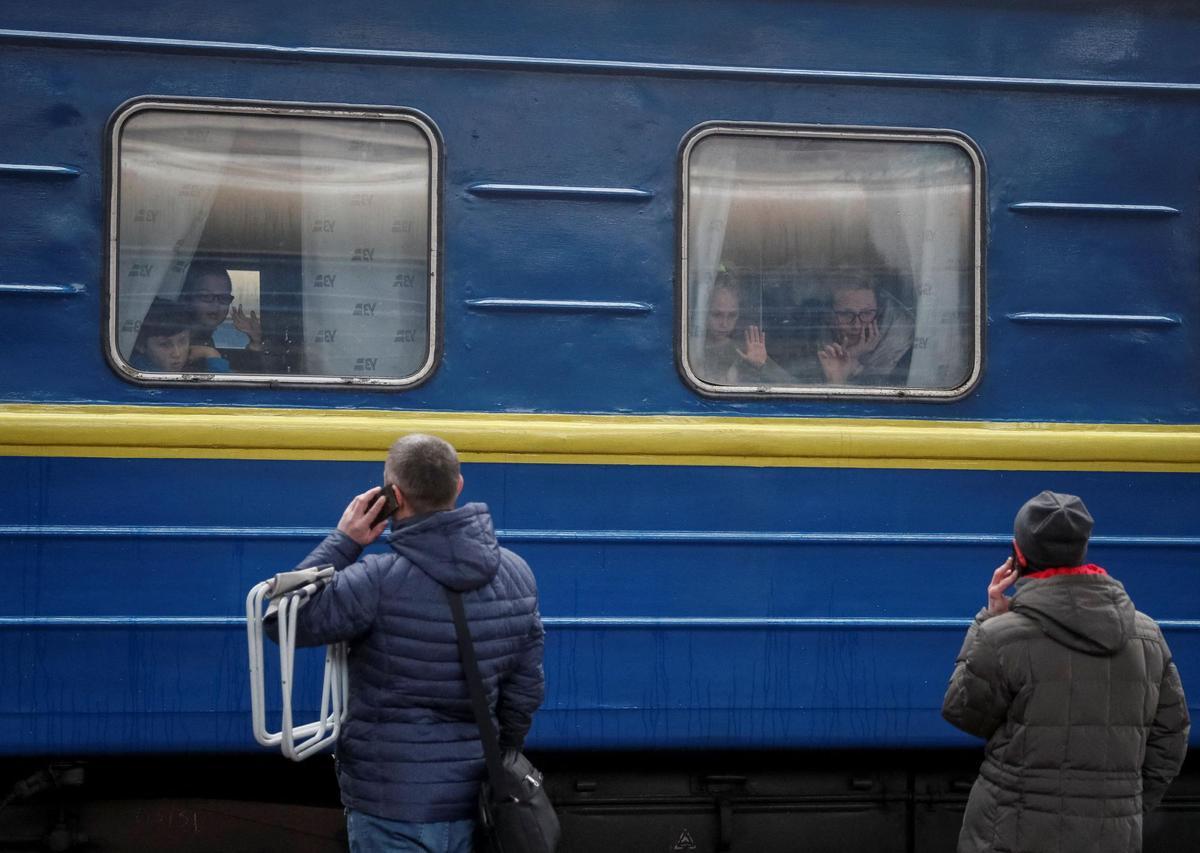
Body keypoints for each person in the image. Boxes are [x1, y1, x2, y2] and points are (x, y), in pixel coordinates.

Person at [267, 434, 545, 853]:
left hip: (390, 802)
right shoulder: (517, 573)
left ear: (392, 496)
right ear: (459, 485)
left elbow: (282, 621)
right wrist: (499, 756)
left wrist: (345, 542)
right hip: (474, 798)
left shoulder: (377, 580)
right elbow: (526, 691)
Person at [942, 491, 1189, 853]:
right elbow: (1171, 738)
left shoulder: (1001, 636)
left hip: (1009, 835)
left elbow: (963, 712)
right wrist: (1125, 804)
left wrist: (988, 619)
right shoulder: (1148, 637)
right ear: (1082, 549)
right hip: (1111, 838)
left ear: (1019, 555)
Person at [814, 280, 913, 385]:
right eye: (846, 314)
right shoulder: (808, 338)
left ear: (879, 315)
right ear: (829, 316)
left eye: (867, 313)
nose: (857, 325)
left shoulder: (901, 352)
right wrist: (851, 354)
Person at [693, 282, 791, 385]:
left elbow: (790, 385)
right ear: (703, 313)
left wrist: (760, 366)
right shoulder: (689, 348)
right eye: (717, 315)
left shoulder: (747, 350)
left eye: (732, 315)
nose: (724, 323)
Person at [179, 260, 267, 372]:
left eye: (224, 298)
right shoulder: (176, 339)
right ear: (188, 299)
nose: (216, 305)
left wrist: (255, 342)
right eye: (206, 296)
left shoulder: (204, 336)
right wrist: (211, 355)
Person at [130, 297, 228, 373]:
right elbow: (217, 392)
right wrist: (212, 355)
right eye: (164, 345)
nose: (177, 354)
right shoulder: (141, 375)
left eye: (182, 341)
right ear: (141, 345)